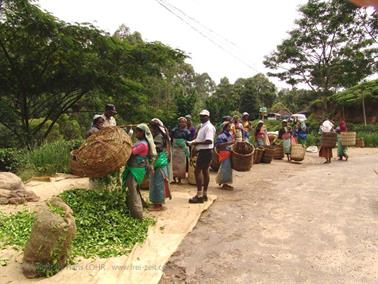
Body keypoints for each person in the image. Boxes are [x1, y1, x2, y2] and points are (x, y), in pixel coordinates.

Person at [122, 124, 157, 219]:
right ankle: (132, 209)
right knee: (133, 188)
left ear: (143, 133)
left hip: (136, 169)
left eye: (138, 132)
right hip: (133, 168)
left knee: (133, 190)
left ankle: (137, 214)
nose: (136, 133)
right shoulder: (140, 142)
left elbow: (131, 152)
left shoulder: (143, 144)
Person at [188, 109, 216, 203]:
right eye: (201, 115)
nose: (201, 117)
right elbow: (200, 138)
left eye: (204, 116)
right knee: (205, 171)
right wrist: (193, 142)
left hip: (205, 151)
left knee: (197, 171)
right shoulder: (202, 127)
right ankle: (204, 194)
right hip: (205, 151)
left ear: (208, 117)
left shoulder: (208, 127)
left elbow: (209, 141)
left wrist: (195, 143)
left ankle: (199, 196)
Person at [149, 119, 172, 211]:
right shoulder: (160, 135)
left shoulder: (158, 136)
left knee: (158, 183)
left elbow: (157, 150)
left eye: (152, 127)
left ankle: (158, 205)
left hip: (159, 161)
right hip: (160, 160)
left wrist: (152, 162)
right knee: (156, 182)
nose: (151, 129)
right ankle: (156, 202)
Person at [171, 117, 191, 184]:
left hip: (182, 151)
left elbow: (188, 141)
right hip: (175, 150)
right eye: (181, 122)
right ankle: (174, 178)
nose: (182, 123)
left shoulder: (187, 132)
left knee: (182, 165)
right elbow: (171, 139)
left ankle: (179, 179)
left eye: (184, 122)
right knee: (174, 164)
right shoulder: (174, 130)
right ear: (178, 123)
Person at [215, 121, 234, 190]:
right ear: (225, 127)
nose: (230, 128)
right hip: (224, 153)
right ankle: (224, 183)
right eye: (229, 126)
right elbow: (218, 146)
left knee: (227, 168)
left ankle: (223, 182)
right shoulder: (221, 136)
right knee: (225, 168)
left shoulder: (230, 135)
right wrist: (228, 143)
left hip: (229, 152)